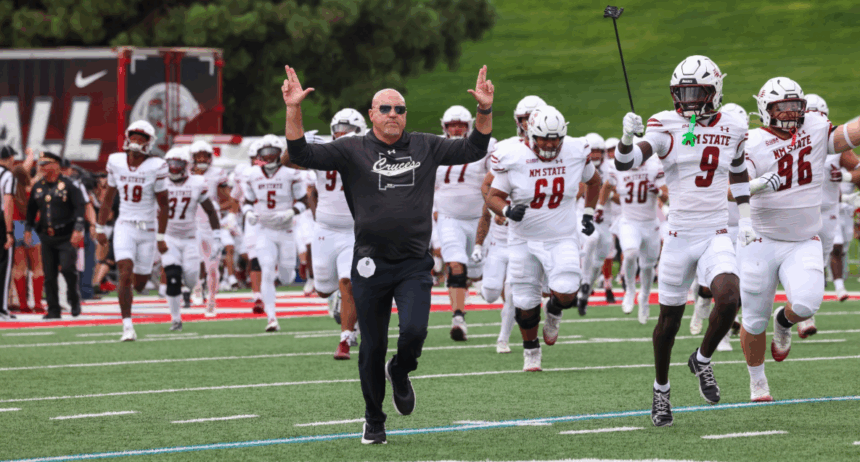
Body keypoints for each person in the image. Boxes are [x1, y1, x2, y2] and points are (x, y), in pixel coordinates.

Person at [282, 64, 494, 445]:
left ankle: (400, 369)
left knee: (414, 333)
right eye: (385, 109)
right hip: (369, 262)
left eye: (399, 109)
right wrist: (294, 108)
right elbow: (300, 152)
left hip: (413, 262)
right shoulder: (352, 149)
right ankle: (374, 418)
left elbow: (474, 148)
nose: (393, 115)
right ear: (371, 115)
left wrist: (483, 110)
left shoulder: (426, 145)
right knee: (372, 346)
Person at [616, 55, 750, 427]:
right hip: (677, 236)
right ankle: (661, 390)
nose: (689, 100)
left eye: (697, 91)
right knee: (668, 324)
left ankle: (702, 359)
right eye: (683, 92)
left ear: (715, 91)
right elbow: (626, 163)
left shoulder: (736, 126)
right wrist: (628, 138)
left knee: (729, 297)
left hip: (715, 231)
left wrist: (749, 216)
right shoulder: (666, 123)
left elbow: (737, 171)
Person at [739, 77, 860, 402]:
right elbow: (730, 187)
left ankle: (784, 321)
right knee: (752, 318)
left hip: (803, 238)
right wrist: (756, 185)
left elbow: (848, 135)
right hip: (760, 240)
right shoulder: (751, 141)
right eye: (783, 106)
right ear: (766, 109)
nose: (791, 113)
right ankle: (758, 380)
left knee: (807, 303)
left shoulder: (817, 126)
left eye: (796, 105)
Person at [487, 106, 601, 372]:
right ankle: (531, 352)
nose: (550, 144)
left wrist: (587, 212)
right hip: (523, 239)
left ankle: (554, 310)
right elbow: (493, 196)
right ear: (530, 134)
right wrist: (506, 210)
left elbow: (595, 182)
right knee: (525, 303)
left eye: (555, 138)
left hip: (561, 236)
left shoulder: (575, 150)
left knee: (567, 290)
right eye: (544, 138)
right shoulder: (512, 155)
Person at [476, 95, 546, 353]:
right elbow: (487, 187)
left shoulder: (563, 150)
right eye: (525, 119)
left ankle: (504, 339)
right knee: (492, 292)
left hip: (537, 235)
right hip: (504, 236)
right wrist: (500, 208)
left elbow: (584, 184)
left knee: (525, 291)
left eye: (533, 118)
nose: (529, 124)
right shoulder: (509, 149)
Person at [95, 120, 169, 341]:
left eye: (141, 138)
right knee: (124, 273)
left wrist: (161, 236)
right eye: (134, 136)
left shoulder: (157, 165)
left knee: (140, 283)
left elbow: (164, 204)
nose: (136, 141)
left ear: (149, 142)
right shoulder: (116, 161)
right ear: (127, 137)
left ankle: (137, 291)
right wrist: (100, 226)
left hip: (147, 229)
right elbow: (108, 197)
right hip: (124, 225)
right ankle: (127, 325)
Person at [311, 108, 366, 359]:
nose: (341, 135)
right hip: (325, 229)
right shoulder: (324, 153)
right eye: (337, 130)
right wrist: (298, 142)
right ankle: (335, 299)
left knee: (349, 283)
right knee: (323, 288)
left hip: (354, 231)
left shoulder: (369, 154)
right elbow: (286, 160)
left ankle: (345, 339)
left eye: (347, 130)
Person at [435, 104, 493, 341]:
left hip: (480, 220)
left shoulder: (486, 146)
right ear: (444, 127)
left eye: (461, 125)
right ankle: (458, 318)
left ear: (469, 126)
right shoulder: (434, 146)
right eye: (452, 125)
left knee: (478, 275)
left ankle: (474, 286)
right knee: (456, 265)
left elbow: (495, 181)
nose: (457, 129)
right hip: (449, 218)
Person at [241, 134, 310, 333]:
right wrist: (248, 213)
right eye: (265, 153)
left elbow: (303, 201)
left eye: (273, 152)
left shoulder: (290, 174)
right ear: (259, 155)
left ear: (280, 153)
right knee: (267, 270)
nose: (269, 156)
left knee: (287, 276)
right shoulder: (252, 174)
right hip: (265, 229)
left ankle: (283, 278)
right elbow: (246, 202)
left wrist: (292, 211)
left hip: (286, 229)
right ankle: (272, 318)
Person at [162, 146, 220, 331]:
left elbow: (210, 210)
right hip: (169, 236)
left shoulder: (196, 183)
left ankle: (192, 290)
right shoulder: (160, 183)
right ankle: (176, 319)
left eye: (178, 164)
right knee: (172, 275)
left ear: (186, 165)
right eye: (171, 164)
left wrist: (217, 234)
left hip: (190, 238)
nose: (174, 168)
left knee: (190, 279)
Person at [24, 152, 87, 319]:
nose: (42, 167)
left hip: (66, 235)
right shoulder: (38, 186)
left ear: (57, 166)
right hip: (47, 236)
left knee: (67, 269)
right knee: (49, 275)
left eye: (46, 163)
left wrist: (78, 229)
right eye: (41, 164)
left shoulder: (69, 185)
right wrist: (28, 228)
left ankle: (74, 300)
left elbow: (80, 207)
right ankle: (53, 309)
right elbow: (31, 210)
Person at [609, 155, 668, 323]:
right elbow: (607, 186)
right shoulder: (617, 167)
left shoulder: (653, 167)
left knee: (648, 266)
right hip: (629, 221)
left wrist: (657, 191)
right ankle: (629, 289)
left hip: (650, 224)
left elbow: (665, 196)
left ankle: (645, 297)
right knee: (629, 253)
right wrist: (599, 207)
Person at [189, 141, 228, 314]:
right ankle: (197, 287)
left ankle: (212, 298)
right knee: (193, 259)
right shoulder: (185, 173)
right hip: (191, 220)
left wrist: (226, 212)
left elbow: (227, 199)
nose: (202, 159)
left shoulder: (217, 173)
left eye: (205, 155)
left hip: (211, 220)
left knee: (212, 264)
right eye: (199, 156)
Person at [10, 148, 44, 314]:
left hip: (15, 226)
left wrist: (29, 157)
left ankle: (23, 304)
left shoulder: (11, 187)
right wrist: (32, 155)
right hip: (30, 227)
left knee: (19, 268)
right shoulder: (32, 186)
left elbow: (21, 170)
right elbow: (34, 173)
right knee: (37, 267)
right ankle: (37, 303)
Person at [0, 145, 17, 320]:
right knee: (4, 265)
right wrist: (9, 231)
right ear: (10, 158)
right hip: (1, 221)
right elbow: (7, 203)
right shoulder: (7, 176)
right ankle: (2, 307)